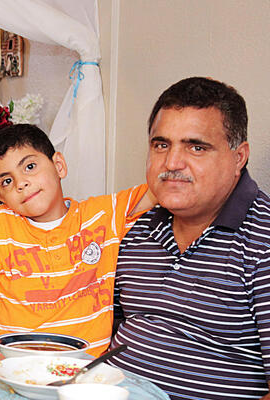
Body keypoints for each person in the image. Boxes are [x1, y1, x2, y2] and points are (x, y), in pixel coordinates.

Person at [0, 123, 154, 357]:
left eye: (30, 166)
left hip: (83, 365)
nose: (21, 184)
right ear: (0, 196)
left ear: (59, 165)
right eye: (7, 181)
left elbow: (160, 189)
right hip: (12, 360)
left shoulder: (103, 214)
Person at [109, 77, 270, 400]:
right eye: (161, 145)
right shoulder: (137, 229)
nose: (171, 163)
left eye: (196, 147)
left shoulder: (262, 240)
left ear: (239, 157)